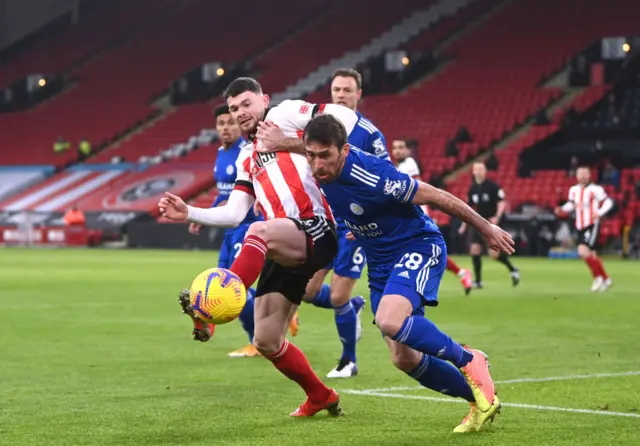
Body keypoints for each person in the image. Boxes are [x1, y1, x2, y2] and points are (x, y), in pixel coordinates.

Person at [261, 114, 513, 433]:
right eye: (311, 155)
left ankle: (468, 358)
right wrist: (281, 144)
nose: (317, 164)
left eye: (325, 156)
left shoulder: (372, 176)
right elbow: (311, 146)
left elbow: (434, 195)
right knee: (403, 359)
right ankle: (480, 400)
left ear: (345, 150)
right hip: (379, 261)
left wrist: (485, 228)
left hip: (416, 245)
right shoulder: (321, 160)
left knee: (389, 320)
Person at [158, 77, 361, 417]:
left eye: (246, 104)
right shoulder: (245, 157)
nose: (240, 112)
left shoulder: (284, 115)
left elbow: (347, 119)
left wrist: (292, 141)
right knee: (267, 340)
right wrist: (188, 212)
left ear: (264, 100)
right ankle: (320, 395)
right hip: (283, 242)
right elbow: (234, 211)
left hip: (317, 229)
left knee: (259, 230)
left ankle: (209, 310)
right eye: (235, 108)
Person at [298, 68, 388, 379]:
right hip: (325, 224)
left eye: (347, 90)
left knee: (337, 295)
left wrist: (364, 217)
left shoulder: (370, 134)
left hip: (354, 228)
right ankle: (355, 306)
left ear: (358, 94)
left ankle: (348, 360)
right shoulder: (318, 130)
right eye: (336, 90)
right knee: (307, 291)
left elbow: (385, 178)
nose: (340, 95)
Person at [183, 104, 282, 358]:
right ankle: (281, 314)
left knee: (234, 286)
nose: (225, 128)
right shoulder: (220, 154)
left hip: (247, 228)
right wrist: (205, 216)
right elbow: (226, 194)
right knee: (220, 283)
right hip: (229, 230)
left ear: (239, 125)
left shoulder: (247, 152)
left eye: (230, 122)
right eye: (221, 124)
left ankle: (257, 340)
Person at [391, 139, 473, 295]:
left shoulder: (409, 164)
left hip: (416, 214)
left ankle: (410, 286)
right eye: (394, 148)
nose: (397, 151)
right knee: (423, 251)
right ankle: (461, 273)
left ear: (408, 151)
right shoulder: (401, 166)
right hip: (409, 215)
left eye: (401, 147)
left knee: (422, 251)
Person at [458, 162, 520, 288]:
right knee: (474, 250)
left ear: (485, 171)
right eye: (476, 169)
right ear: (473, 172)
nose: (479, 171)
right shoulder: (473, 189)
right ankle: (479, 281)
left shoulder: (492, 186)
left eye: (481, 169)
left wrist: (497, 217)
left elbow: (501, 203)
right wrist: (463, 225)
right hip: (478, 223)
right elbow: (468, 208)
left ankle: (512, 269)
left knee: (494, 255)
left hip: (491, 224)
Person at [555, 166, 613, 291]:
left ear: (589, 175)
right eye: (580, 174)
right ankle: (606, 278)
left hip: (591, 224)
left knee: (582, 251)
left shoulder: (596, 189)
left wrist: (600, 212)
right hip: (580, 225)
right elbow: (571, 205)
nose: (583, 176)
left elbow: (608, 202)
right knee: (591, 254)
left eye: (585, 173)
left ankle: (597, 278)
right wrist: (562, 209)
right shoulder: (573, 190)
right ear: (576, 176)